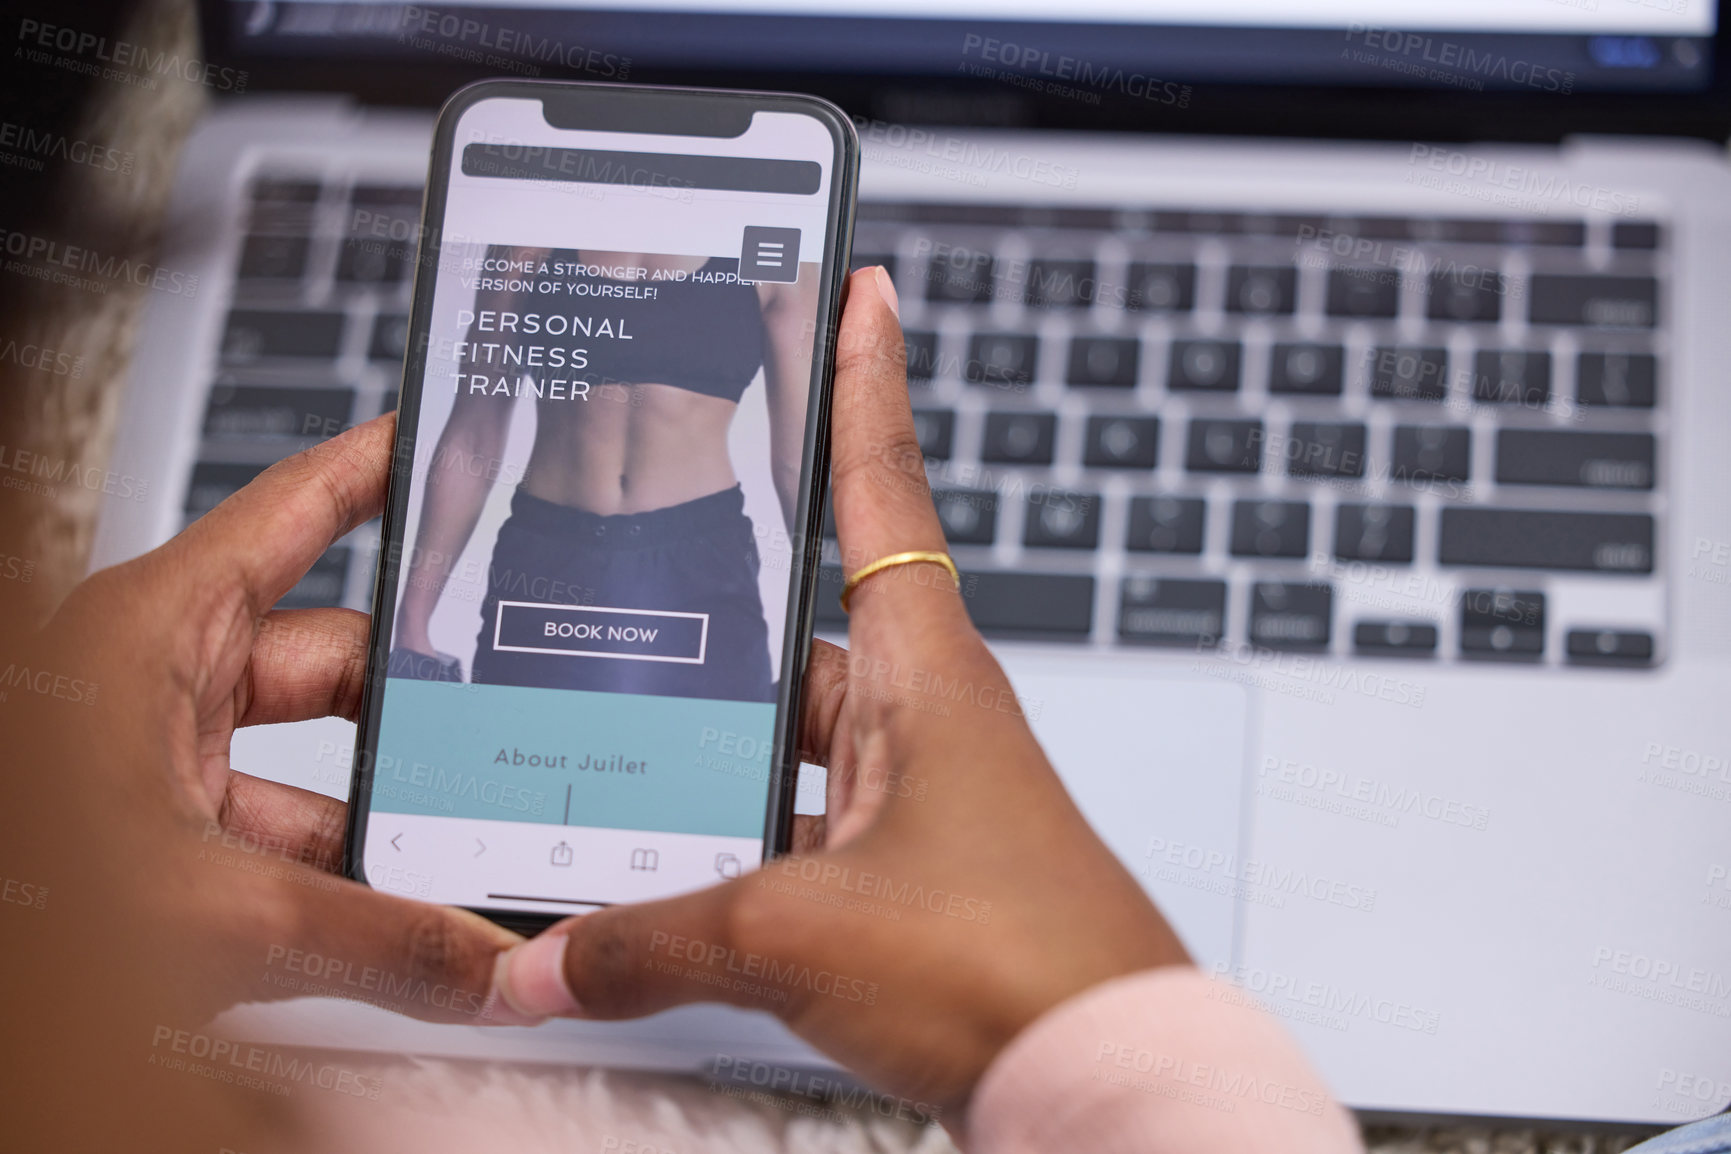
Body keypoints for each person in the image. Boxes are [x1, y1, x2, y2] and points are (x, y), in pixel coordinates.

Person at [1, 268, 1720, 1153]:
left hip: (693, 557)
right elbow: (458, 430)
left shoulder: (741, 267)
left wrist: (778, 572)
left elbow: (788, 450)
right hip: (542, 537)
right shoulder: (540, 234)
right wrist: (435, 586)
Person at [390, 245, 817, 703]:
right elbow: (474, 431)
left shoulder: (775, 247)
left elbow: (797, 459)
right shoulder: (528, 240)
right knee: (520, 754)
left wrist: (818, 638)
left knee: (696, 762)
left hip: (701, 561)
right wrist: (412, 618)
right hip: (547, 558)